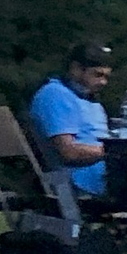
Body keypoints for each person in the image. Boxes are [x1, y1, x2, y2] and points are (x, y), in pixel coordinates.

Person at [28, 44, 114, 201]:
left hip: (105, 179)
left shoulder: (88, 100)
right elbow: (68, 152)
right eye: (97, 75)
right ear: (76, 68)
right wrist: (114, 151)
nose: (103, 82)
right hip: (75, 185)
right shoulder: (55, 95)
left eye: (106, 77)